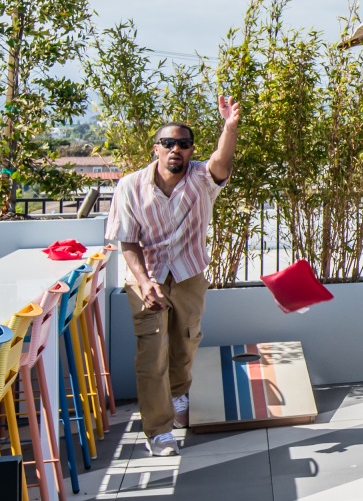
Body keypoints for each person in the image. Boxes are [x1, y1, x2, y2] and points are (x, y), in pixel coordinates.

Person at [106, 98, 242, 457]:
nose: (175, 150)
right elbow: (127, 241)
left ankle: (179, 393)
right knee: (151, 354)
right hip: (145, 278)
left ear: (191, 150)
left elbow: (221, 162)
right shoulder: (130, 187)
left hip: (188, 274)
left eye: (183, 144)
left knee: (185, 343)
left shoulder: (201, 178)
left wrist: (229, 127)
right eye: (168, 143)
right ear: (156, 149)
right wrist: (144, 280)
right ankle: (159, 431)